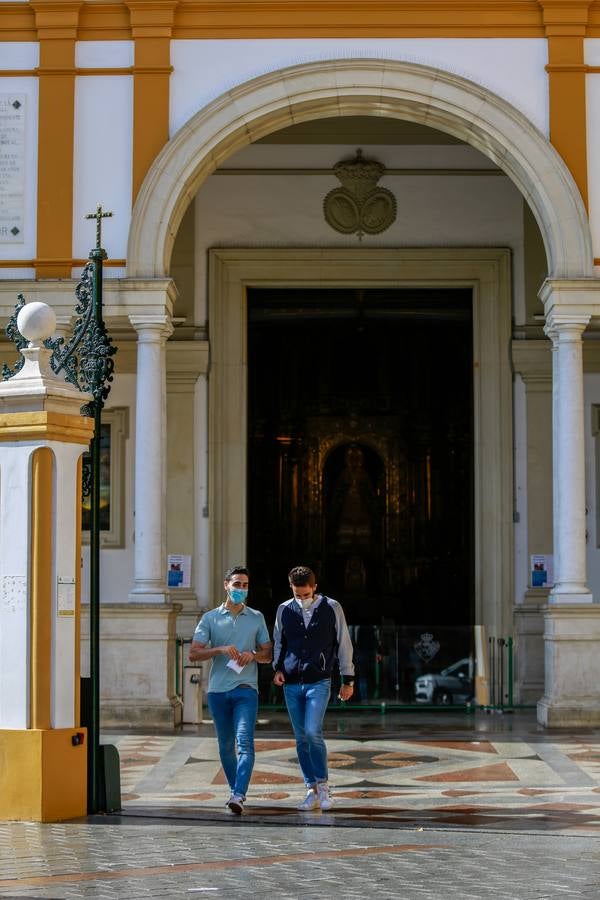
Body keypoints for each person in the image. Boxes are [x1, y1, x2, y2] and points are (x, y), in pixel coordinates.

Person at [189, 566, 272, 815]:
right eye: (237, 584)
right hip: (217, 692)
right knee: (225, 746)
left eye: (245, 585)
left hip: (246, 689)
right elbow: (194, 653)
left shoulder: (256, 617)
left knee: (244, 741)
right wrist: (220, 649)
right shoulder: (210, 618)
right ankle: (235, 790)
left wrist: (254, 655)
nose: (241, 589)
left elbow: (268, 654)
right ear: (226, 585)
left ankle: (239, 794)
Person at [272, 565, 354, 811]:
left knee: (312, 731)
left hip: (319, 680)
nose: (302, 599)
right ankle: (311, 789)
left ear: (314, 588)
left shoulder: (332, 607)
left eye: (306, 595)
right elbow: (279, 640)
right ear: (291, 589)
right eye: (298, 595)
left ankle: (324, 785)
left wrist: (347, 678)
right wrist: (277, 668)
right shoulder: (284, 609)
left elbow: (344, 642)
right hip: (292, 682)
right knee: (300, 737)